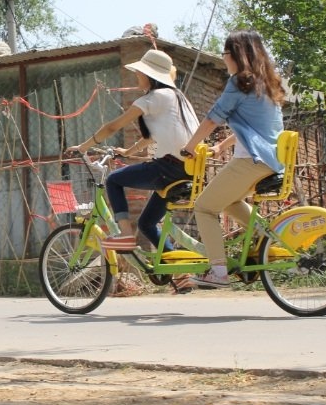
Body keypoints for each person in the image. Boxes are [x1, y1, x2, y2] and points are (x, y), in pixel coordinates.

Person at [181, 30, 287, 287]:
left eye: (225, 53)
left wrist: (190, 146)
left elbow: (213, 118)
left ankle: (218, 272)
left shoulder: (240, 82)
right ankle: (267, 237)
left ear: (237, 55)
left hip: (252, 161)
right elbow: (255, 127)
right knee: (228, 202)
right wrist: (221, 145)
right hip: (272, 160)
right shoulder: (267, 83)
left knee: (204, 207)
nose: (223, 58)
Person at [67, 49, 200, 252]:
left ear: (150, 75)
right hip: (188, 171)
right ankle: (174, 267)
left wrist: (83, 146)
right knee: (147, 224)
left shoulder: (153, 98)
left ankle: (126, 235)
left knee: (113, 180)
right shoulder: (178, 97)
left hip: (168, 168)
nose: (137, 75)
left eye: (140, 72)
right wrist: (129, 152)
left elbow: (113, 127)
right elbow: (152, 136)